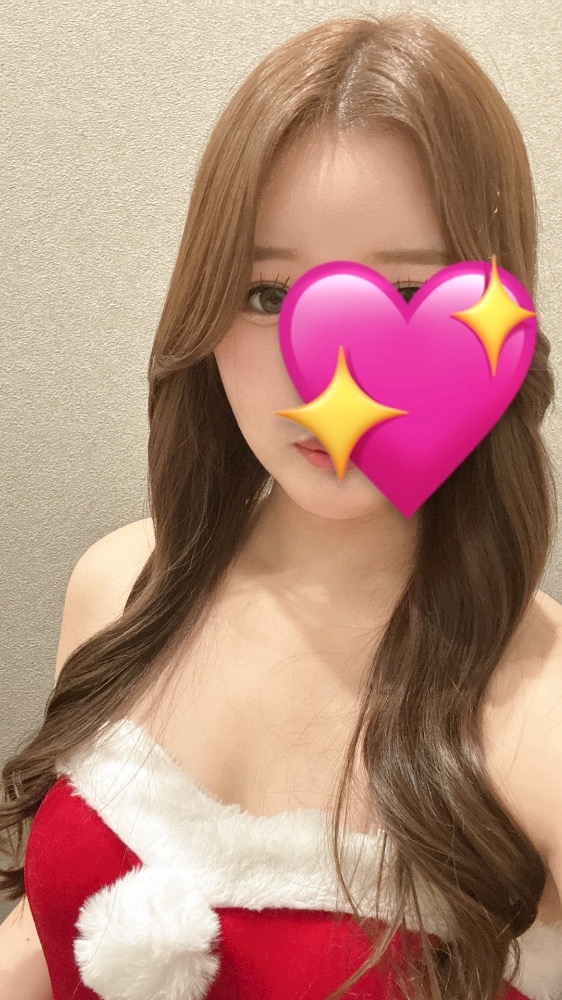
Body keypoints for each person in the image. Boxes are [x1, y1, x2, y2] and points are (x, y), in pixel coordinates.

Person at [1, 12, 562, 1000]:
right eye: (266, 295)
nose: (328, 377)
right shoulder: (120, 585)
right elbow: (45, 938)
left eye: (407, 292)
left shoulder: (537, 715)